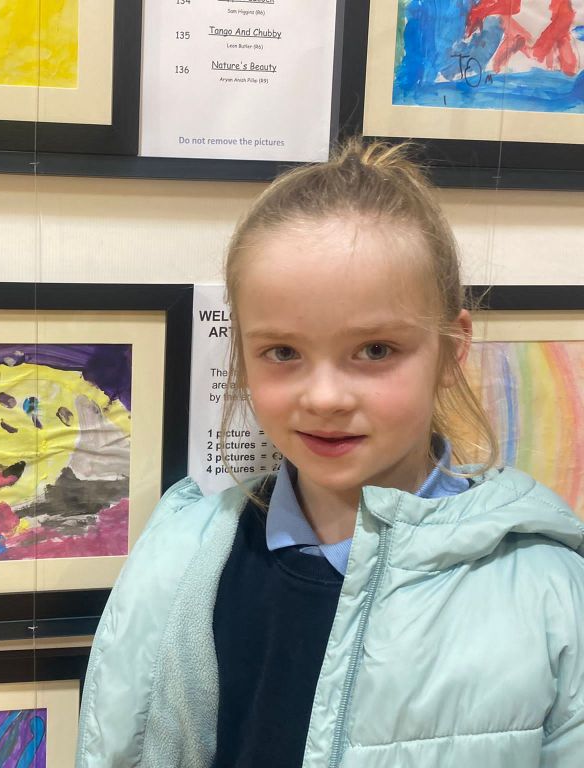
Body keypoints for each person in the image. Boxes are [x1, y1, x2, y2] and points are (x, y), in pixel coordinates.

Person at [74, 140, 584, 767]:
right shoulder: (176, 561)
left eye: (375, 350)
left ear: (452, 351)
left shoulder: (550, 592)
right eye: (283, 352)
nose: (324, 398)